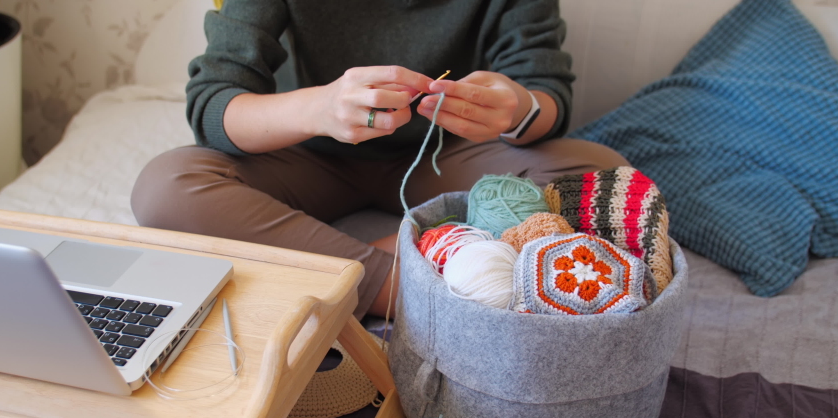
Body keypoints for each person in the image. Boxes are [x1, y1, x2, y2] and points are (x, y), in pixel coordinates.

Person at [130, 0, 629, 320]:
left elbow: (548, 95)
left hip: (442, 157)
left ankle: (349, 272)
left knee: (606, 179)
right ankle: (396, 284)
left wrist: (517, 108)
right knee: (166, 188)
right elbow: (213, 105)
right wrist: (321, 108)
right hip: (306, 156)